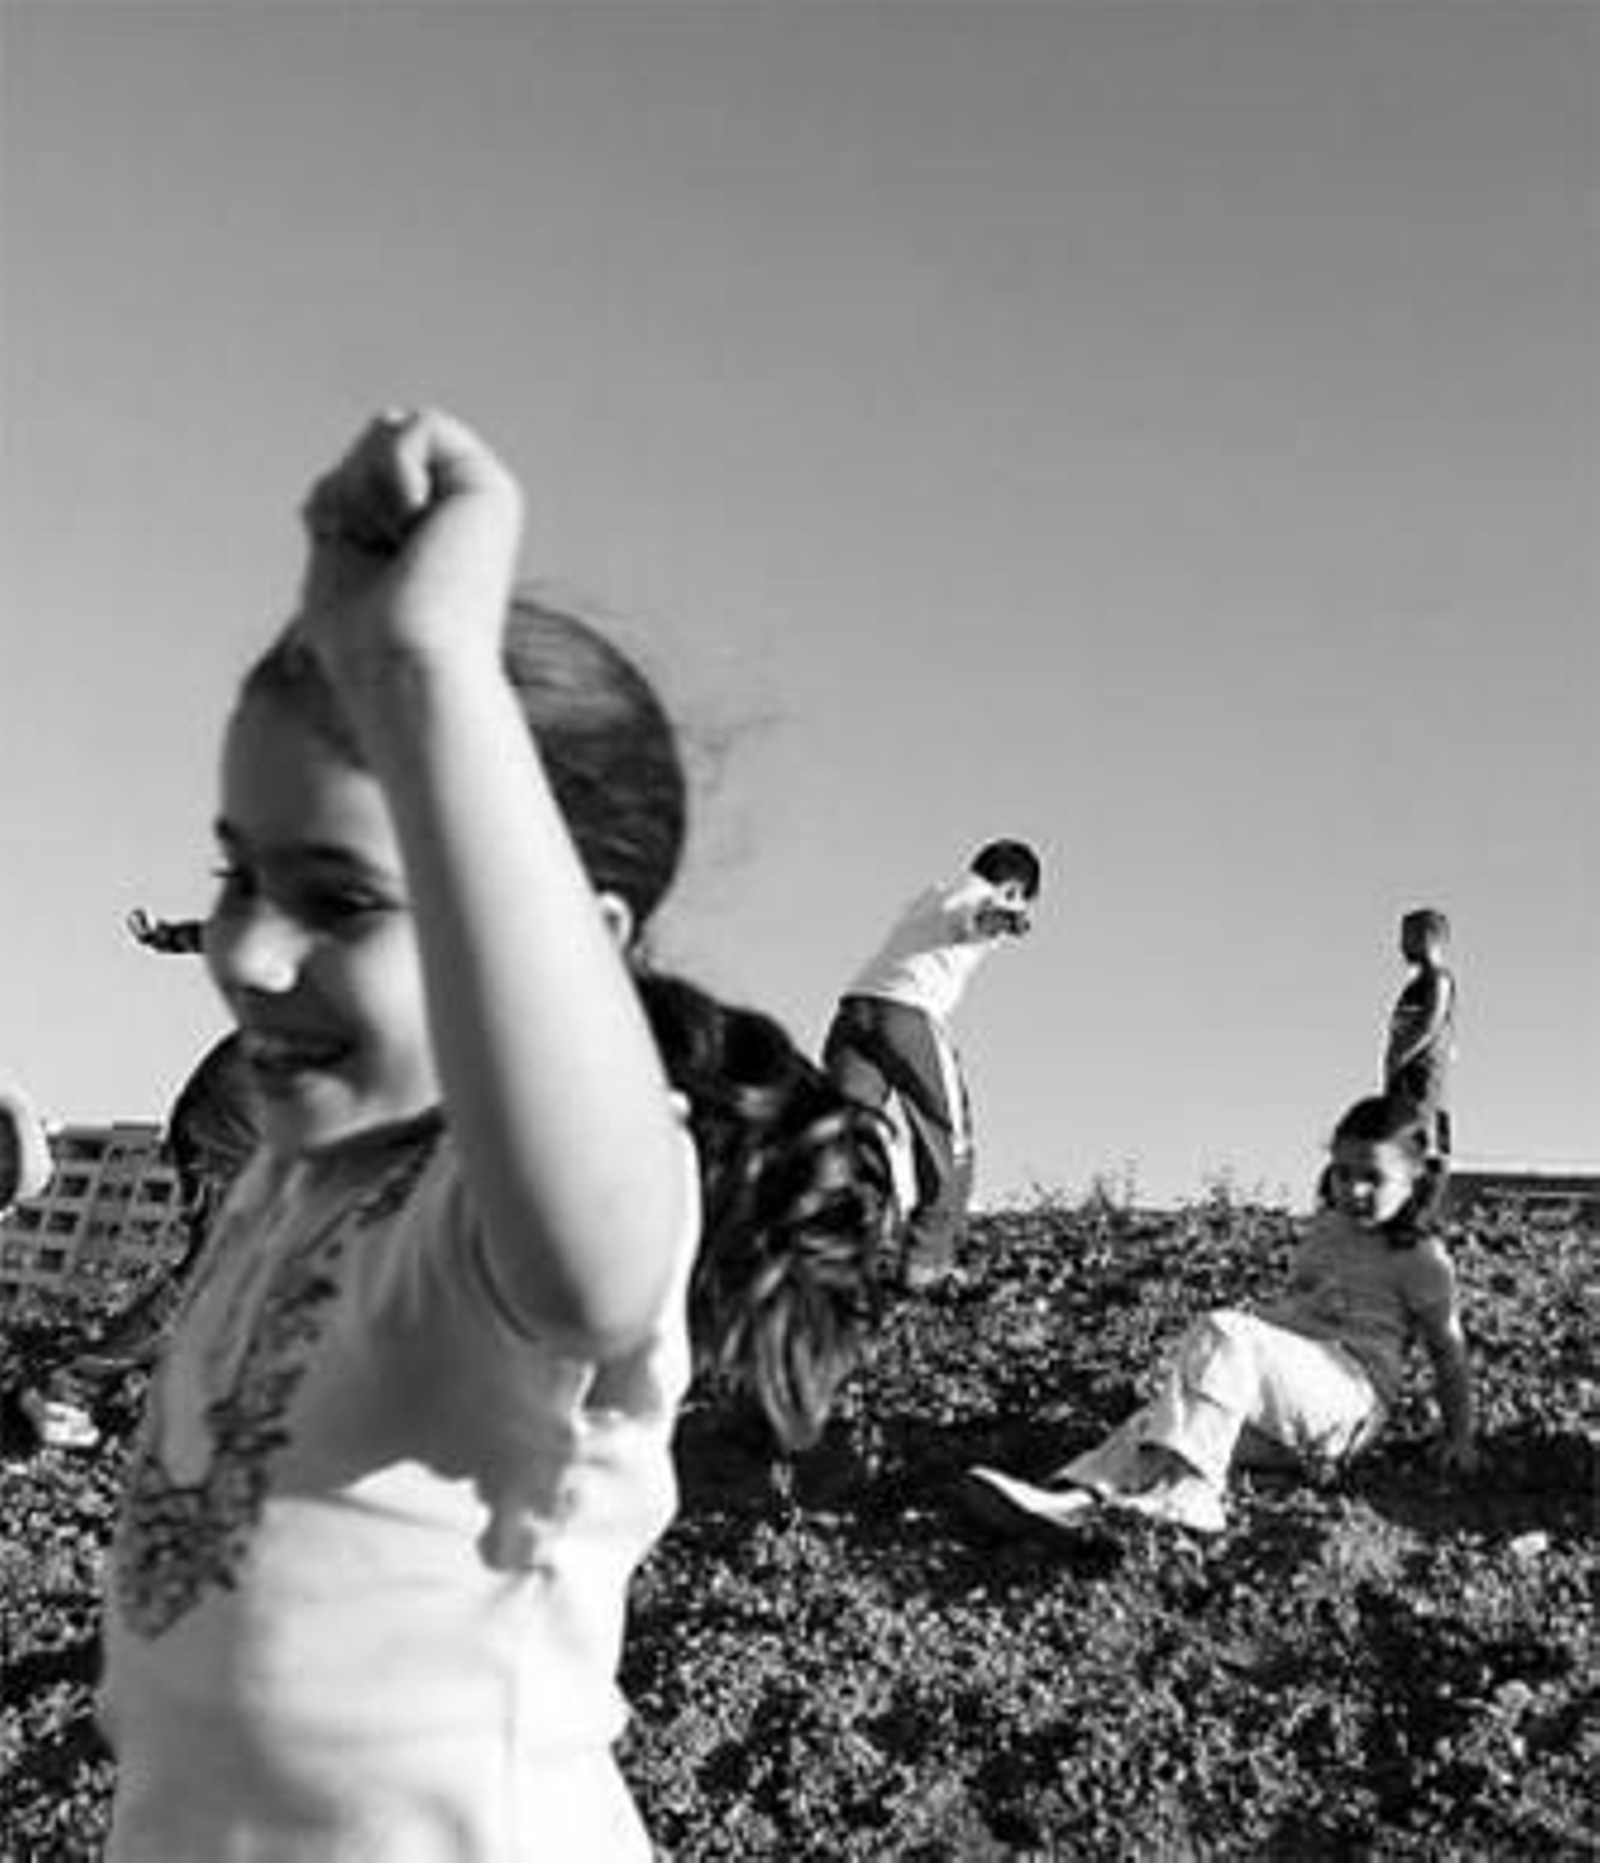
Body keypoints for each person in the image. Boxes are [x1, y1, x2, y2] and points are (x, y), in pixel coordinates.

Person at [99, 407, 892, 1861]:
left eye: (339, 897)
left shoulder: (509, 1214)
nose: (249, 953)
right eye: (239, 877)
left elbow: (588, 1238)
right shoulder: (292, 1184)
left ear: (572, 948)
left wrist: (427, 678)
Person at [961, 1095, 1477, 1539]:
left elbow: (1447, 1352)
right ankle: (1074, 1502)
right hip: (1292, 1408)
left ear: (1413, 1181)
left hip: (1347, 1404)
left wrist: (1460, 1436)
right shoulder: (1326, 1232)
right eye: (1343, 1173)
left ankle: (1190, 1496)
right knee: (1161, 1422)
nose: (1354, 1190)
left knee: (1224, 1330)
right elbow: (1296, 1312)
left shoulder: (1421, 1258)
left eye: (1373, 1178)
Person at [822, 839, 1042, 1289]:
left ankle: (838, 1255)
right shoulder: (980, 896)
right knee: (949, 1138)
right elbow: (975, 914)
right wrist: (1007, 916)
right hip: (907, 1018)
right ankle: (927, 1262)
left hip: (852, 1017)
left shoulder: (929, 895)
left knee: (846, 1136)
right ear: (1016, 887)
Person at [1385, 906, 1457, 1162]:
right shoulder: (1414, 986)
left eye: (1407, 937)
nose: (1402, 945)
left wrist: (1399, 1056)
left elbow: (1430, 1025)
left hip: (1424, 1087)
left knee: (1425, 1155)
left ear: (1428, 936)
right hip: (1402, 1087)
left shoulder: (1439, 979)